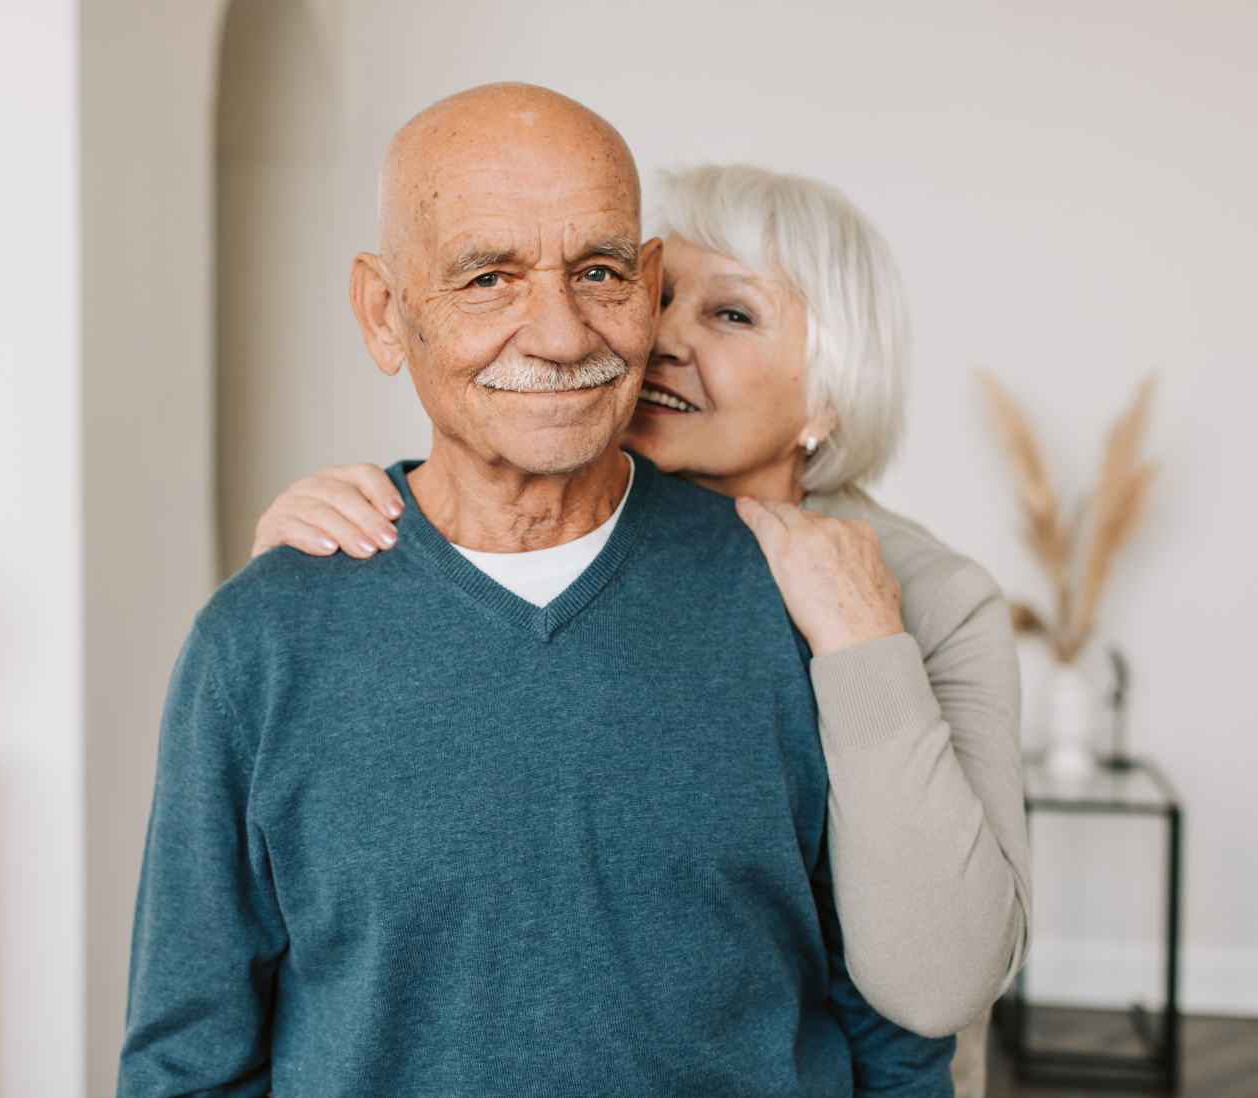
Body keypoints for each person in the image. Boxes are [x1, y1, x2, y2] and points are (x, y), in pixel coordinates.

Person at [119, 84, 955, 1096]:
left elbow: (897, 1037)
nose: (560, 335)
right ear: (387, 313)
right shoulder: (257, 643)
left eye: (599, 272)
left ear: (647, 292)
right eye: (488, 278)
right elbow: (186, 1061)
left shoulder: (804, 606)